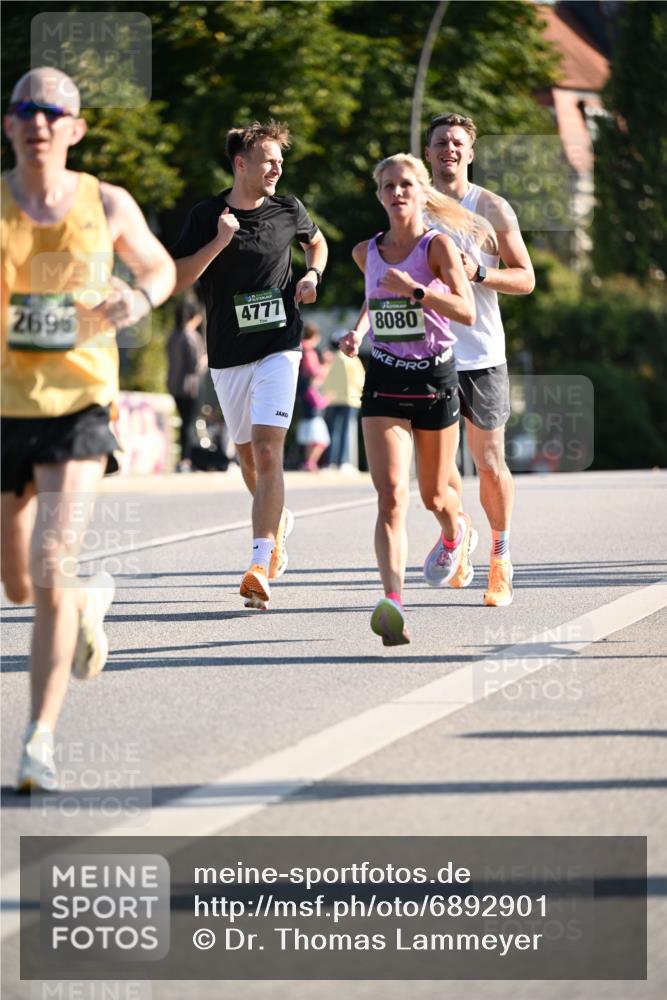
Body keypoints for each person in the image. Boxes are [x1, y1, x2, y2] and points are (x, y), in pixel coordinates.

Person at [1, 68, 176, 791]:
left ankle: (38, 741)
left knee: (52, 562)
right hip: (6, 405)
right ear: (9, 126)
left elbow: (161, 269)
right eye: (24, 110)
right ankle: (87, 606)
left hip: (79, 403)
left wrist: (137, 298)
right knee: (17, 585)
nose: (38, 121)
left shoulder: (106, 202)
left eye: (54, 111)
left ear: (74, 128)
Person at [172, 121, 328, 609]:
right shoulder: (206, 215)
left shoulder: (288, 208)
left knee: (266, 452)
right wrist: (219, 240)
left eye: (281, 159)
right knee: (245, 457)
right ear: (242, 164)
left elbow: (316, 242)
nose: (278, 167)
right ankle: (276, 521)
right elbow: (178, 278)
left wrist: (313, 274)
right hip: (227, 354)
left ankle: (261, 561)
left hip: (280, 346)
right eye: (268, 159)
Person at [340, 153, 489, 646]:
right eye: (388, 186)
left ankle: (455, 532)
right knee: (390, 496)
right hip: (383, 378)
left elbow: (466, 311)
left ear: (422, 192)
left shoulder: (437, 246)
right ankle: (393, 604)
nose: (397, 193)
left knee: (435, 496)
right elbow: (373, 296)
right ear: (379, 194)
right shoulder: (367, 251)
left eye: (406, 185)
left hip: (434, 381)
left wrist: (418, 290)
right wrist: (359, 331)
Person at [424, 112, 535, 606]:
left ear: (470, 153)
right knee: (439, 470)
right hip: (430, 355)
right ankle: (458, 530)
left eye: (457, 143)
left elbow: (526, 277)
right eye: (440, 142)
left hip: (483, 354)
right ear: (427, 153)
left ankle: (500, 556)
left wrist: (480, 275)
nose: (449, 149)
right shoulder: (413, 204)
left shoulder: (490, 207)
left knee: (489, 463)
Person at [166, 299, 207, 472]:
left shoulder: (173, 335)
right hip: (189, 386)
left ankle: (184, 459)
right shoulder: (191, 336)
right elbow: (195, 366)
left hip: (174, 384)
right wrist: (206, 359)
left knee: (184, 422)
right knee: (188, 423)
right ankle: (186, 459)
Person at [322, 336, 365, 471]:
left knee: (332, 431)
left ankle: (330, 462)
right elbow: (361, 379)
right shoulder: (352, 359)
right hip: (350, 399)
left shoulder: (329, 358)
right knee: (346, 431)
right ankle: (344, 462)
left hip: (331, 399)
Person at [295, 323, 331, 472]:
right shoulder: (309, 351)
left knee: (311, 435)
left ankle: (308, 462)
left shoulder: (298, 347)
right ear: (315, 337)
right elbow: (316, 373)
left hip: (302, 394)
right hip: (310, 395)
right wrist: (327, 364)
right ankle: (310, 462)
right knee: (321, 439)